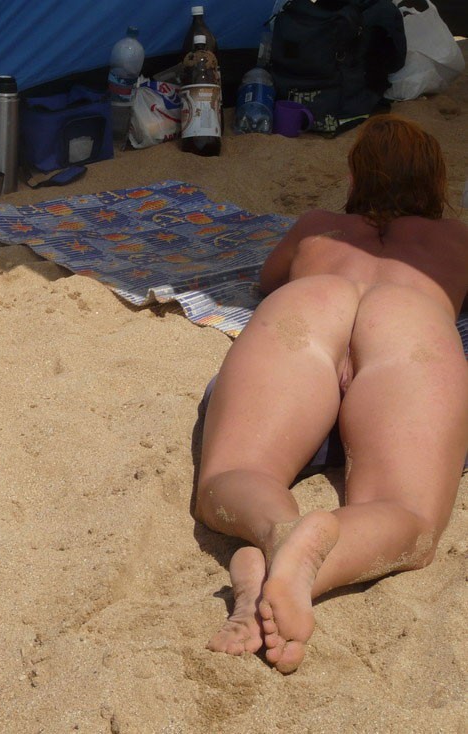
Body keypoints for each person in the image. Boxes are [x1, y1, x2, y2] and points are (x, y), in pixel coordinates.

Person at [194, 115, 468, 674]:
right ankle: (307, 564)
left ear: (354, 177)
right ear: (437, 183)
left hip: (311, 304)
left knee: (232, 476)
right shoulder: (458, 237)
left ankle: (274, 539)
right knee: (408, 516)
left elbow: (270, 279)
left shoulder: (318, 225)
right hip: (411, 319)